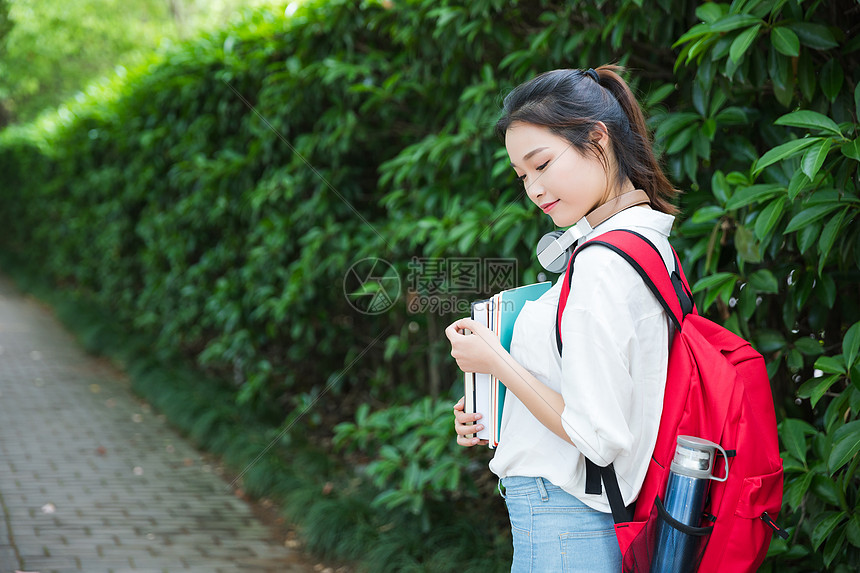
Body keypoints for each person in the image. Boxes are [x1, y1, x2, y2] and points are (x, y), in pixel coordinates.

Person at [444, 65, 681, 572]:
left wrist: (498, 361)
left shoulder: (600, 264)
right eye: (522, 175)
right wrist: (494, 402)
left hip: (566, 523)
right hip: (580, 520)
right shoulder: (644, 244)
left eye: (542, 163)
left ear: (598, 139)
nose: (533, 188)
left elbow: (596, 435)